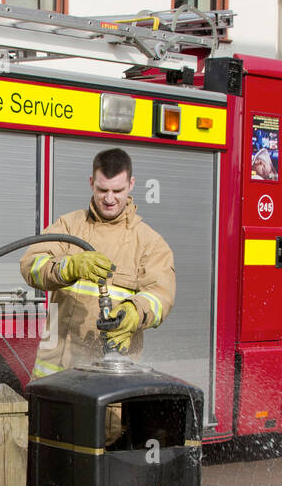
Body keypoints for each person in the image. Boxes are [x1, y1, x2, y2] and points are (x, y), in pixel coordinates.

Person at [19, 148, 175, 377]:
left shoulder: (149, 243)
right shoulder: (69, 226)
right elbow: (30, 266)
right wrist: (69, 267)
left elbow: (162, 296)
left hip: (113, 381)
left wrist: (134, 311)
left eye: (117, 190)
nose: (109, 199)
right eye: (103, 190)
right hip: (54, 378)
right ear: (92, 182)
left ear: (131, 184)